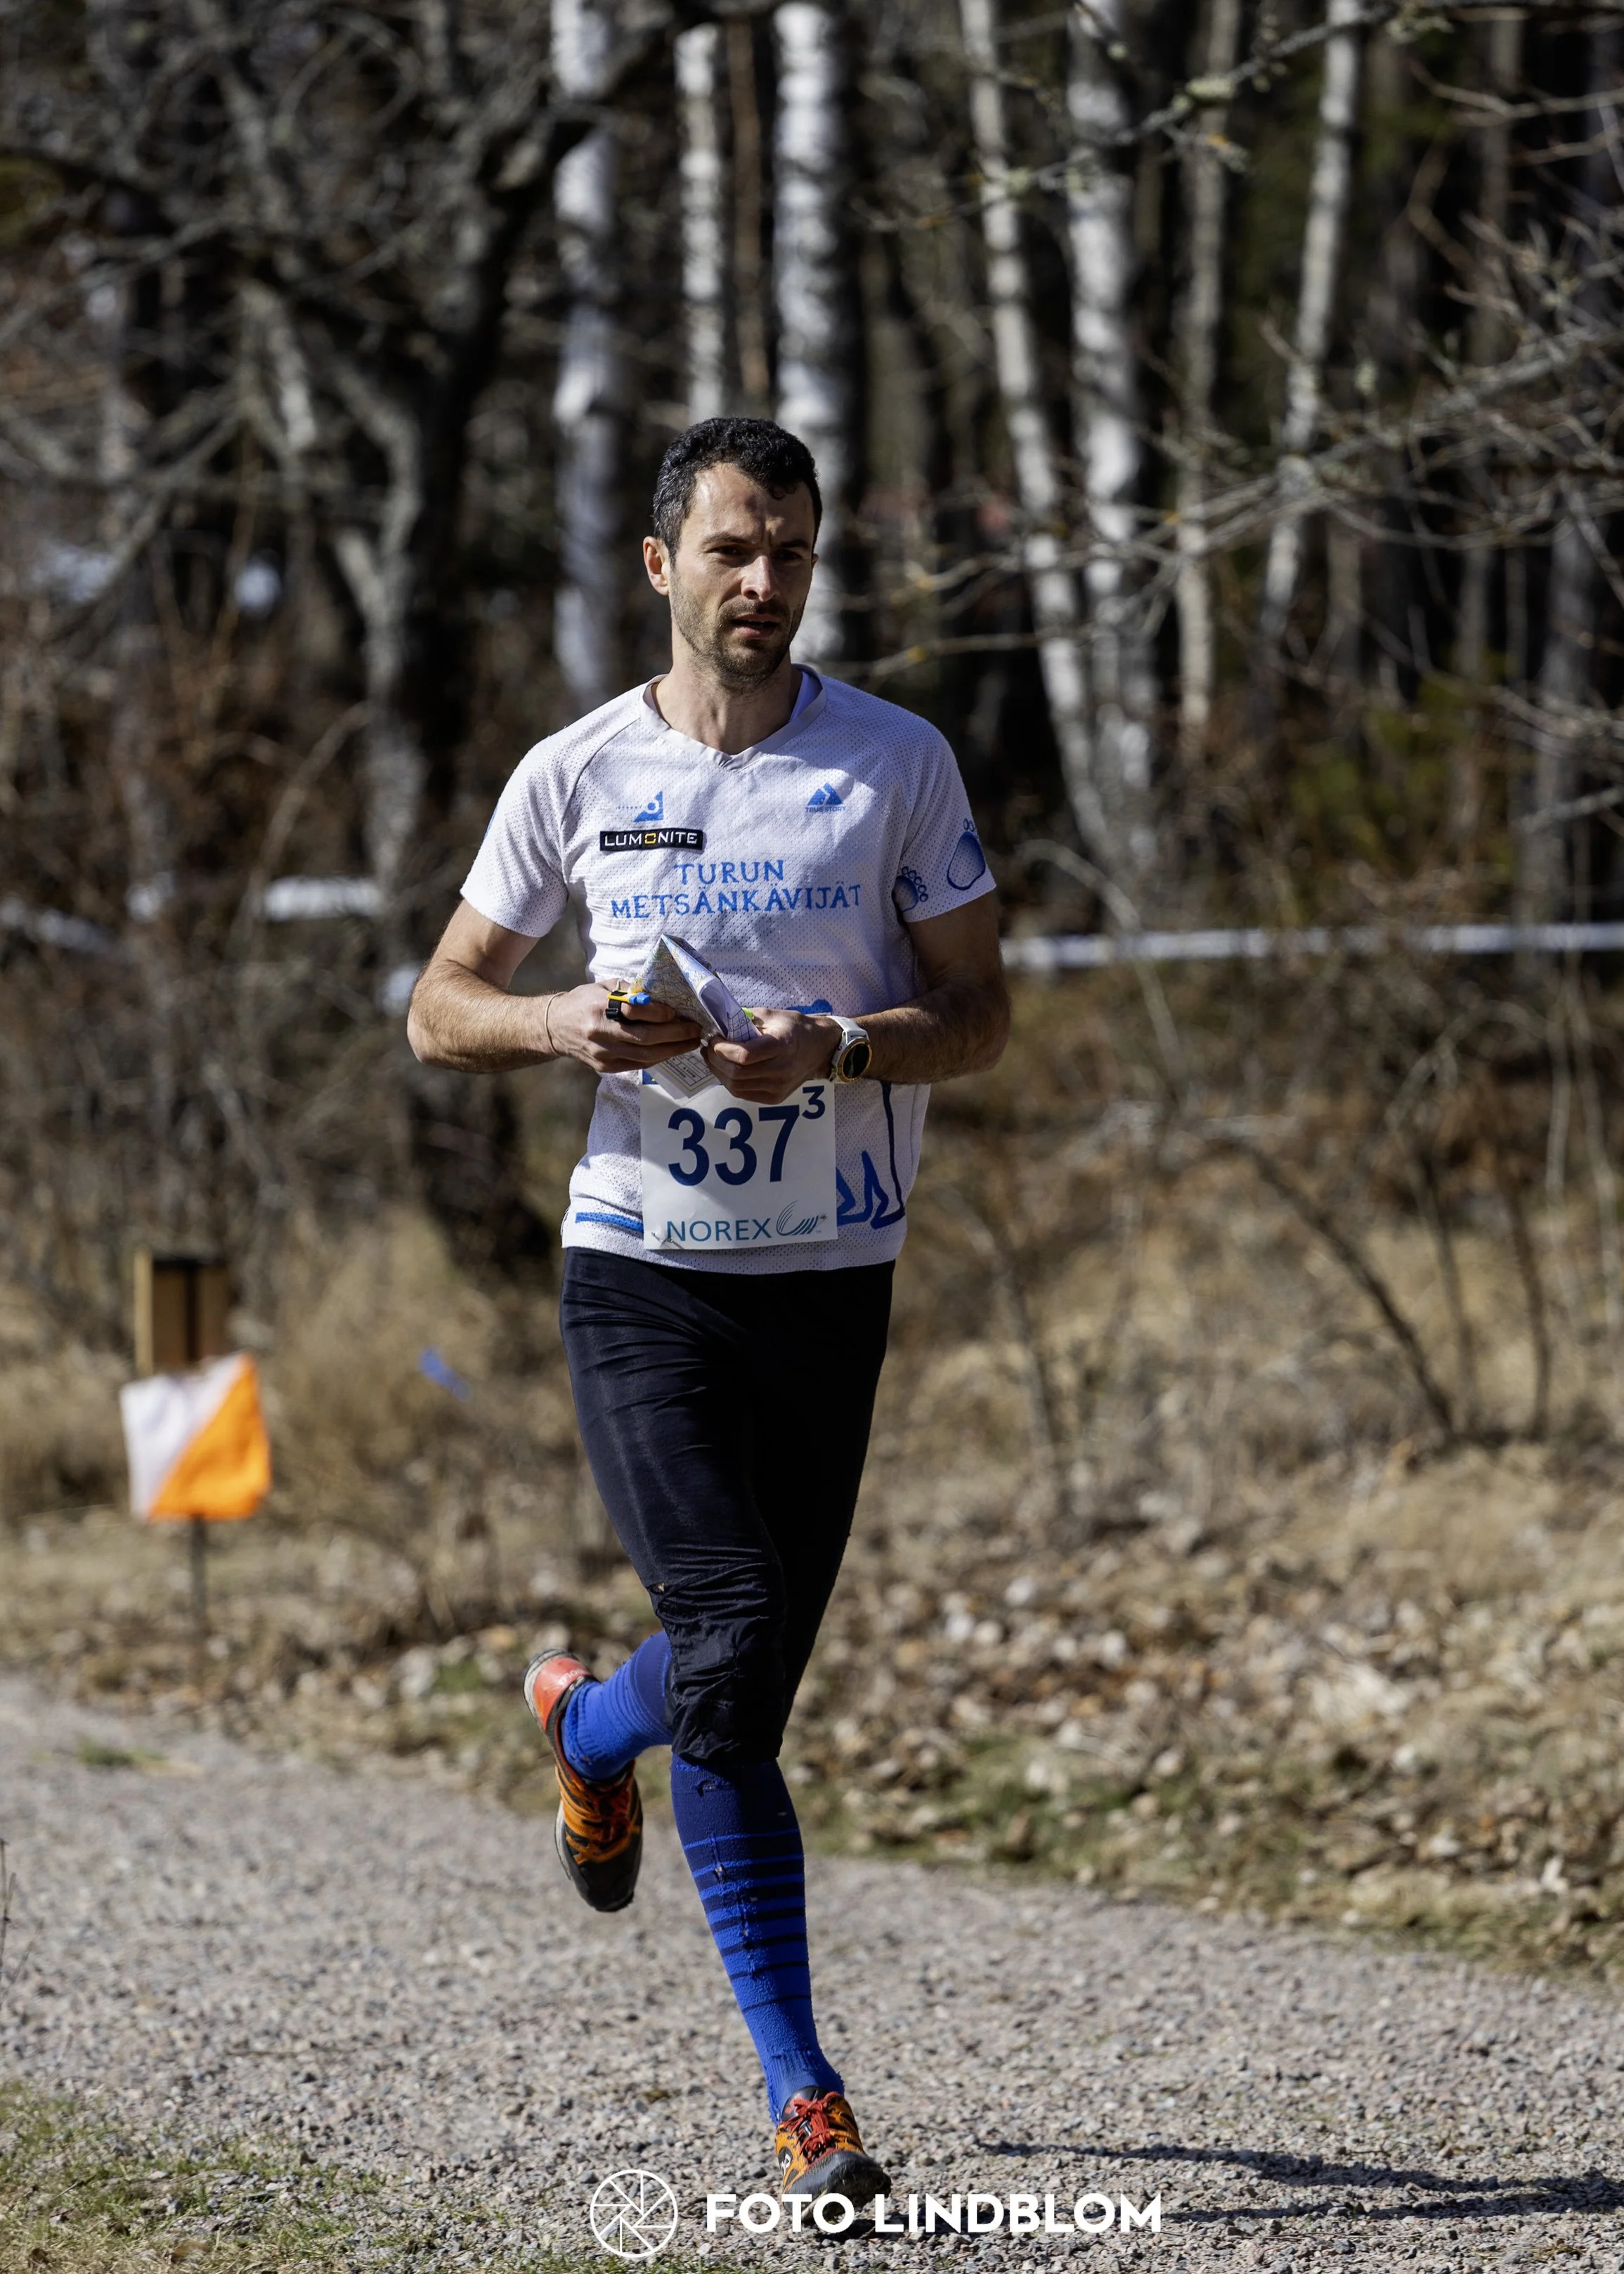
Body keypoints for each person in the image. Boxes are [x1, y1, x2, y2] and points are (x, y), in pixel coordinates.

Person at [407, 417, 1008, 2207]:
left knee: (739, 1683)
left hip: (829, 1278)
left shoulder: (892, 762)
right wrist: (562, 1024)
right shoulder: (576, 770)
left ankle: (590, 1728)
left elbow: (979, 1014)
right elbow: (440, 1005)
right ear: (661, 562)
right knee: (732, 1641)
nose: (766, 581)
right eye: (735, 549)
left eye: (794, 551)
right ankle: (805, 2097)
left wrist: (836, 1048)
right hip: (640, 1271)